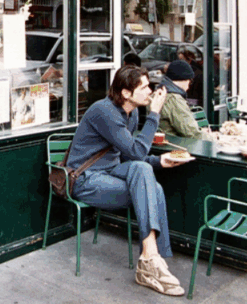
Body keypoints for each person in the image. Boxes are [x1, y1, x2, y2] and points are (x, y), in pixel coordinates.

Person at [68, 65, 192, 296]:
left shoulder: (132, 113)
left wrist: (159, 161)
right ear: (126, 93)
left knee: (145, 173)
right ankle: (151, 260)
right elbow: (135, 152)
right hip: (85, 179)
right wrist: (154, 114)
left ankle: (150, 257)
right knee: (151, 188)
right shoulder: (104, 111)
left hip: (112, 172)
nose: (150, 91)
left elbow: (129, 154)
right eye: (144, 87)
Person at [158, 60, 201, 138]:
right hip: (177, 146)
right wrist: (217, 138)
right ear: (184, 79)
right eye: (190, 81)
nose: (188, 87)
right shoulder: (174, 99)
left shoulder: (160, 92)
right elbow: (192, 133)